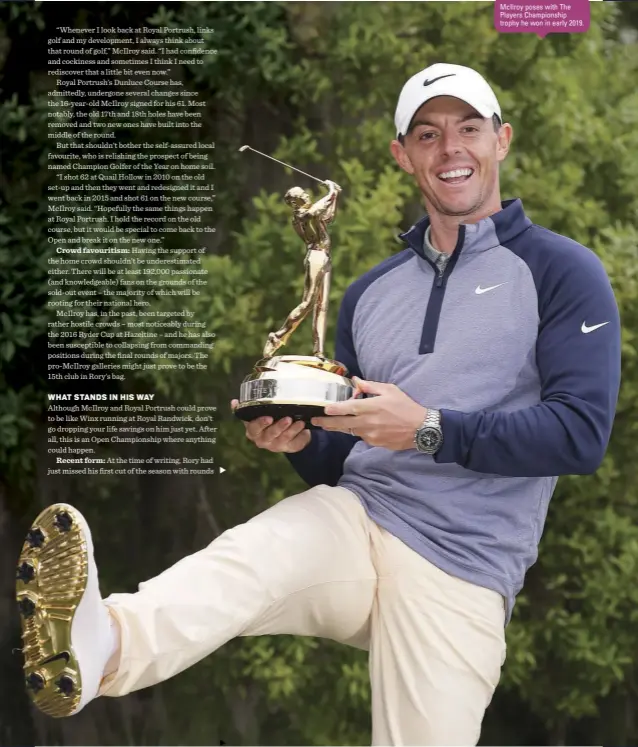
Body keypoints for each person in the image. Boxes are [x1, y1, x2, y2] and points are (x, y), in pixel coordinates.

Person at [17, 63, 621, 745]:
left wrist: (425, 428)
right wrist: (304, 444)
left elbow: (580, 433)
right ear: (402, 155)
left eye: (468, 129)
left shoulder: (563, 271)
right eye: (428, 134)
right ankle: (105, 643)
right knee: (247, 559)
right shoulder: (369, 294)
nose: (451, 148)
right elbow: (346, 450)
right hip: (360, 519)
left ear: (501, 139)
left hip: (464, 566)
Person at [263, 180, 342, 360]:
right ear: (294, 203)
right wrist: (331, 190)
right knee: (307, 303)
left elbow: (329, 216)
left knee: (322, 307)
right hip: (315, 257)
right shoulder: (300, 216)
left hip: (325, 257)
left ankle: (319, 351)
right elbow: (316, 210)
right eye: (302, 196)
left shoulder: (312, 213)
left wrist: (335, 196)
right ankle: (277, 337)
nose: (307, 195)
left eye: (305, 194)